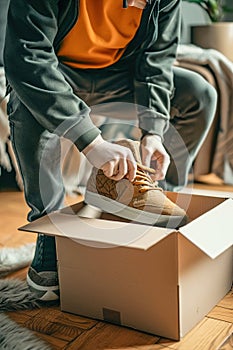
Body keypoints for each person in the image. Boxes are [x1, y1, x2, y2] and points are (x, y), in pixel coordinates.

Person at [4, 0, 217, 302]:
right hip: (57, 71)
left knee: (198, 94)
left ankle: (153, 199)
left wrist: (154, 131)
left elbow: (157, 58)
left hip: (117, 75)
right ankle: (51, 231)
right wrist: (91, 142)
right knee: (27, 104)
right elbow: (27, 58)